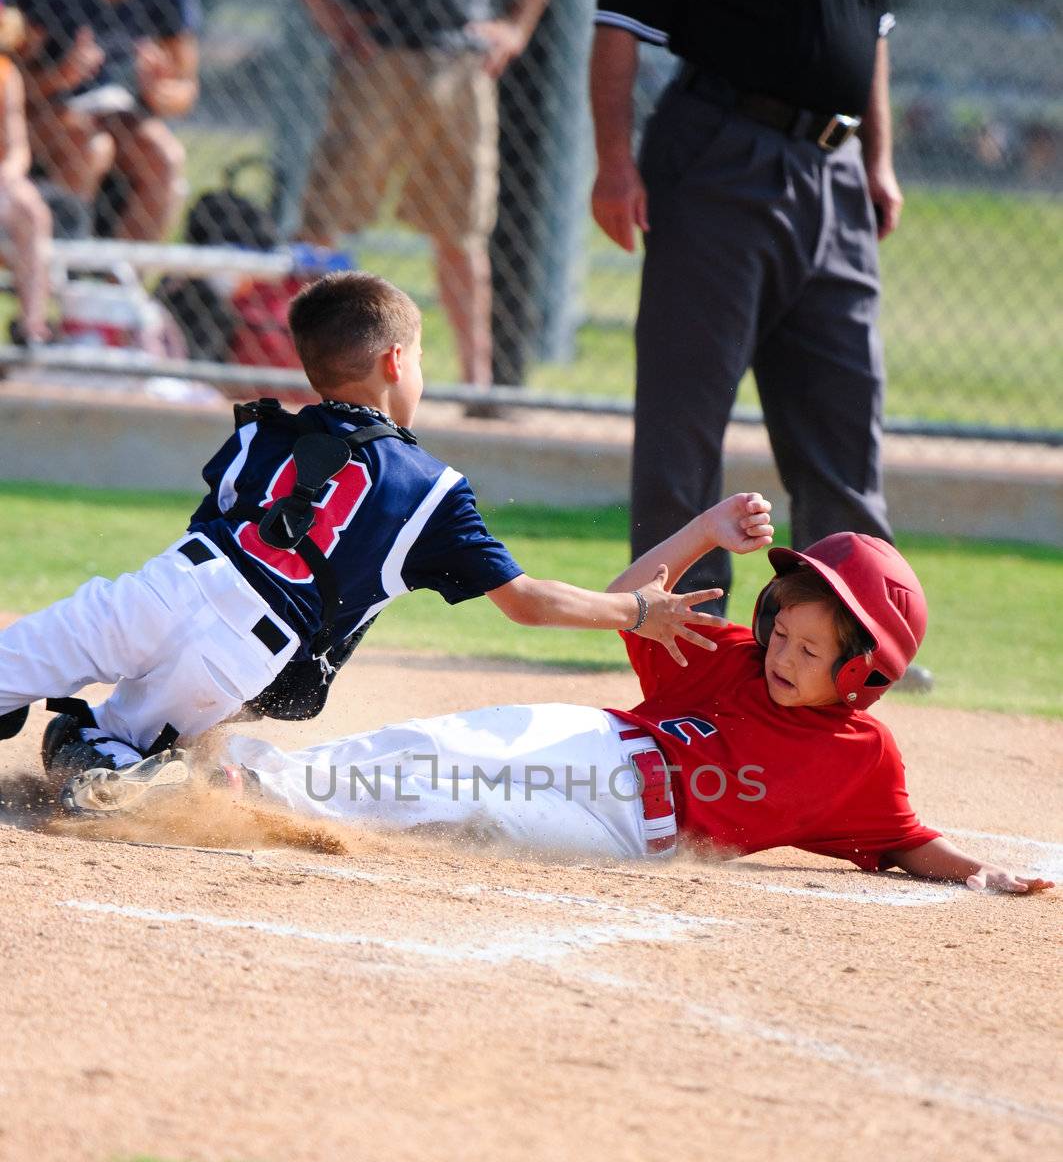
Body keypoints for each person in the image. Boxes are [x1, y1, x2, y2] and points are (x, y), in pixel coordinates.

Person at [0, 270, 720, 812]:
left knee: (24, 676)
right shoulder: (432, 488)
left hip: (166, 586)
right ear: (396, 362)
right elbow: (527, 602)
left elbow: (214, 526)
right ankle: (124, 770)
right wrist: (636, 612)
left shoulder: (259, 431)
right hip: (242, 653)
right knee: (105, 743)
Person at [218, 499, 1051, 895]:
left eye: (809, 651)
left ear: (863, 673)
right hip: (593, 746)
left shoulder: (860, 760)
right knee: (448, 750)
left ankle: (267, 798)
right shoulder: (729, 658)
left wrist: (983, 875)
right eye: (783, 633)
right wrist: (704, 535)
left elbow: (907, 840)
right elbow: (627, 594)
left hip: (627, 835)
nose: (782, 656)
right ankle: (242, 784)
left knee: (469, 817)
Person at [589, 0, 933, 691]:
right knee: (684, 412)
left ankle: (851, 634)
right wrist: (613, 164)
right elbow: (616, 26)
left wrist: (876, 160)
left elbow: (870, 40)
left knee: (844, 413)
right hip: (721, 149)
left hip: (835, 164)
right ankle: (689, 637)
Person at [284, 0, 562, 395]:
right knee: (326, 219)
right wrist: (327, 9)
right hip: (375, 50)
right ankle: (308, 375)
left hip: (460, 55)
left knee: (461, 230)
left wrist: (518, 25)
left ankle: (476, 387)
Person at [12, 0, 200, 241]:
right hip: (44, 108)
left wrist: (159, 91)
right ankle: (58, 267)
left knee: (165, 159)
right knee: (88, 147)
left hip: (116, 109)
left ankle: (121, 278)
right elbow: (12, 81)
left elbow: (185, 89)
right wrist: (59, 78)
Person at [0, 0, 53, 345]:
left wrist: (6, 174)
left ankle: (32, 328)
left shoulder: (5, 74)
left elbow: (17, 148)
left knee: (30, 208)